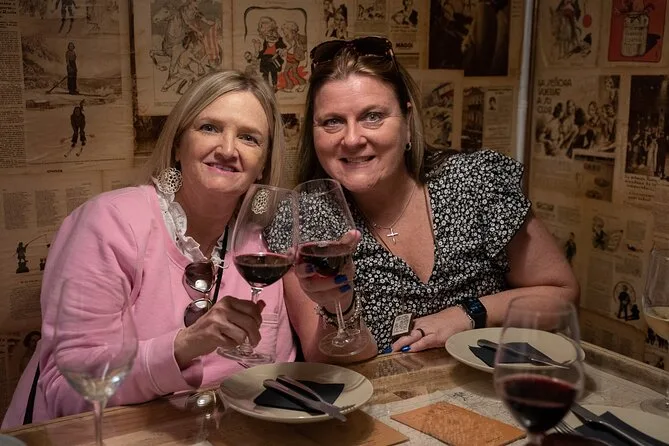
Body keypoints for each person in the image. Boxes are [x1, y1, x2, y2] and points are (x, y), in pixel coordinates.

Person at [2, 70, 296, 428]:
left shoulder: (259, 248)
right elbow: (67, 392)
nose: (227, 149)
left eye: (249, 138)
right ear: (177, 145)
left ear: (263, 164)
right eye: (209, 128)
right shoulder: (108, 223)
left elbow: (275, 375)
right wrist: (182, 347)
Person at [285, 36, 578, 362]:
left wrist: (467, 314)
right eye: (332, 121)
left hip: (494, 385)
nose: (352, 139)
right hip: (387, 394)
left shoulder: (475, 182)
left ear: (408, 122)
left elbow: (561, 296)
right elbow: (325, 362)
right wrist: (341, 307)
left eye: (373, 116)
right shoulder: (305, 218)